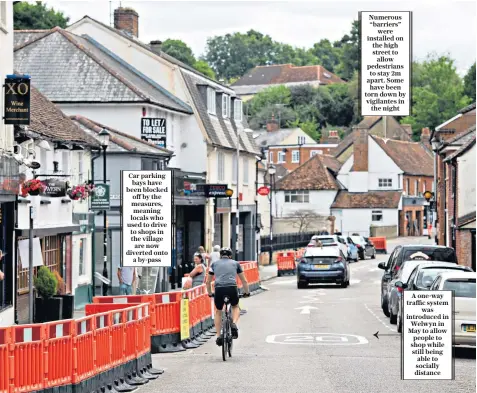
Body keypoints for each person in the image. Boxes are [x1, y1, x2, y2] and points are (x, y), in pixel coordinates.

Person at [206, 247, 250, 346]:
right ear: (230, 256)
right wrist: (246, 292)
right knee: (235, 306)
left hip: (219, 289)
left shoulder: (214, 264)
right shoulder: (235, 263)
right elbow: (244, 281)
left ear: (220, 256)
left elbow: (208, 282)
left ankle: (218, 336)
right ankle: (234, 323)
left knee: (218, 311)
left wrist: (209, 293)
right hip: (232, 288)